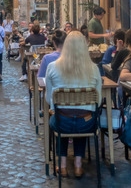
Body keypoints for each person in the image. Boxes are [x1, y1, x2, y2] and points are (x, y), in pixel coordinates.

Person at [44, 31, 102, 178]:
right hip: (86, 124)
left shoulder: (52, 67)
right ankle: (78, 165)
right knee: (83, 115)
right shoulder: (94, 69)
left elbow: (48, 99)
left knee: (60, 118)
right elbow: (99, 101)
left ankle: (62, 166)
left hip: (62, 122)